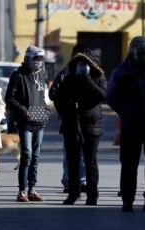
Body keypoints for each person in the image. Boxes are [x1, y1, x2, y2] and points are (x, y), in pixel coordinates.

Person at [106, 36, 145, 212]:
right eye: (139, 52)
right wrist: (124, 110)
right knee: (129, 164)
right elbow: (110, 95)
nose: (143, 55)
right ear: (132, 52)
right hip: (131, 125)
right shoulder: (122, 71)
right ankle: (127, 201)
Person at [52, 47, 106, 206]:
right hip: (72, 124)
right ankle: (73, 193)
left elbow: (102, 96)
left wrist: (87, 78)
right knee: (73, 161)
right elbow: (57, 97)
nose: (81, 67)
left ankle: (92, 195)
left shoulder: (98, 76)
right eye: (79, 65)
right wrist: (65, 113)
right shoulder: (70, 77)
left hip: (91, 125)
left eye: (85, 64)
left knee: (90, 161)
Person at [5, 45, 51, 202]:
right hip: (25, 120)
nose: (39, 62)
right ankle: (22, 191)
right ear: (28, 58)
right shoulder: (17, 75)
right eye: (36, 58)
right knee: (27, 154)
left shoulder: (41, 75)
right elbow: (9, 98)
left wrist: (46, 111)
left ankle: (32, 189)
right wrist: (23, 110)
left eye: (41, 59)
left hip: (40, 120)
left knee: (36, 156)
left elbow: (42, 97)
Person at [49, 44, 87, 194]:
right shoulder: (64, 73)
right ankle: (68, 181)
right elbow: (53, 94)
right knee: (69, 153)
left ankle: (82, 181)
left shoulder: (89, 73)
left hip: (85, 120)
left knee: (84, 153)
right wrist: (65, 107)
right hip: (69, 120)